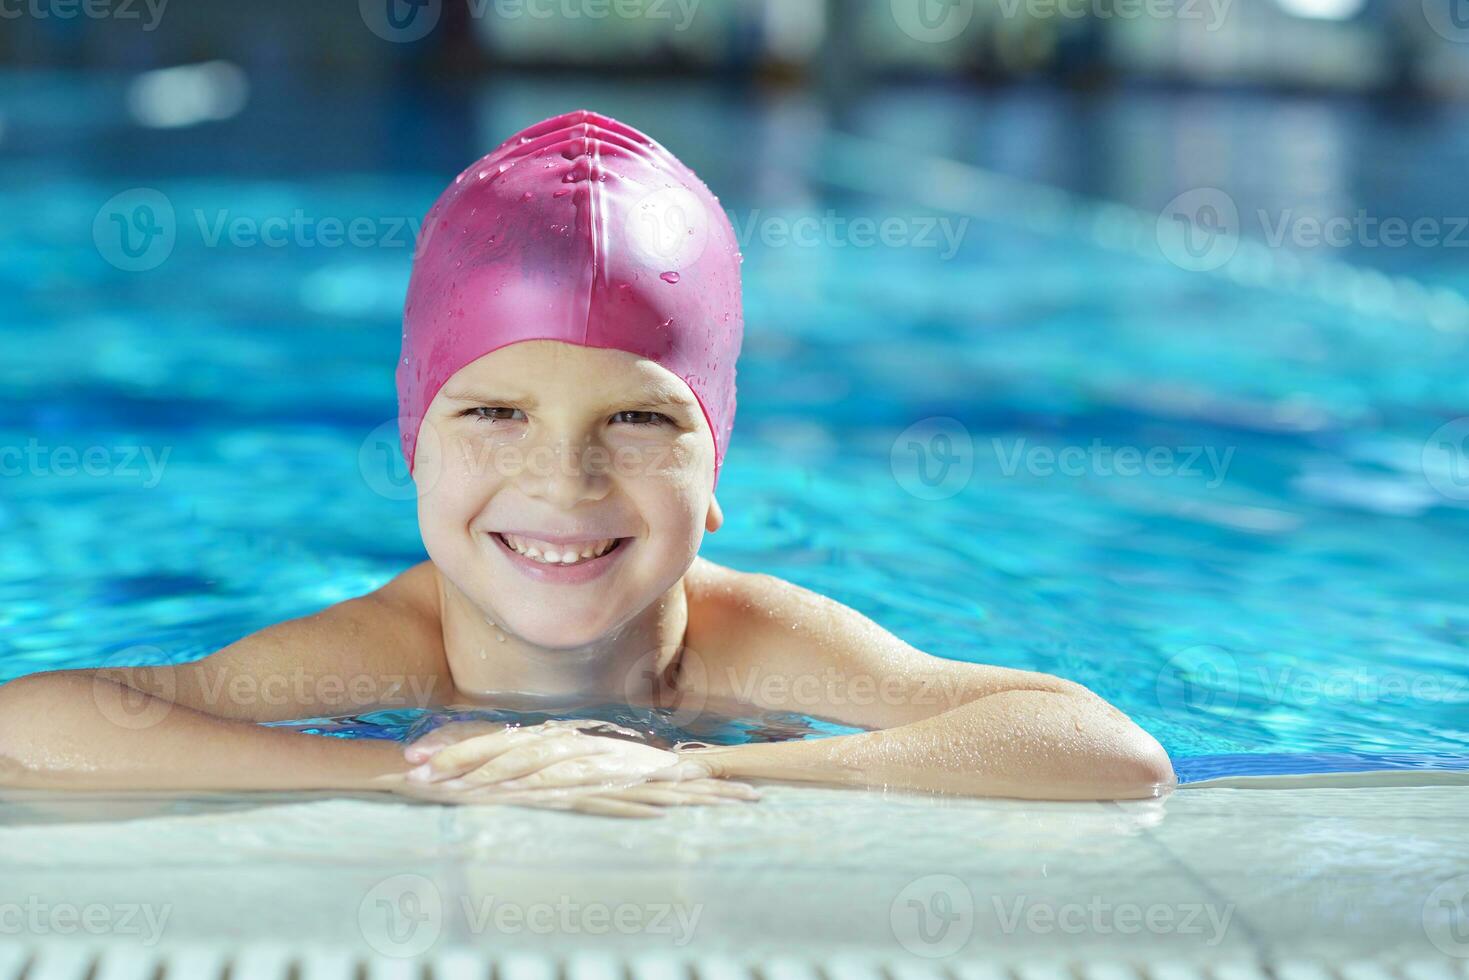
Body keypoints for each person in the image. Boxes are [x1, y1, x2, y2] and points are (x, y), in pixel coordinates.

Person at [0, 110, 1174, 818]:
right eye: (497, 410)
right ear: (414, 445)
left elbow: (1105, 748)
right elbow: (27, 723)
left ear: (716, 467)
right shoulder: (388, 649)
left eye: (639, 420)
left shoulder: (750, 642)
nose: (563, 481)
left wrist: (691, 779)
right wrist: (422, 774)